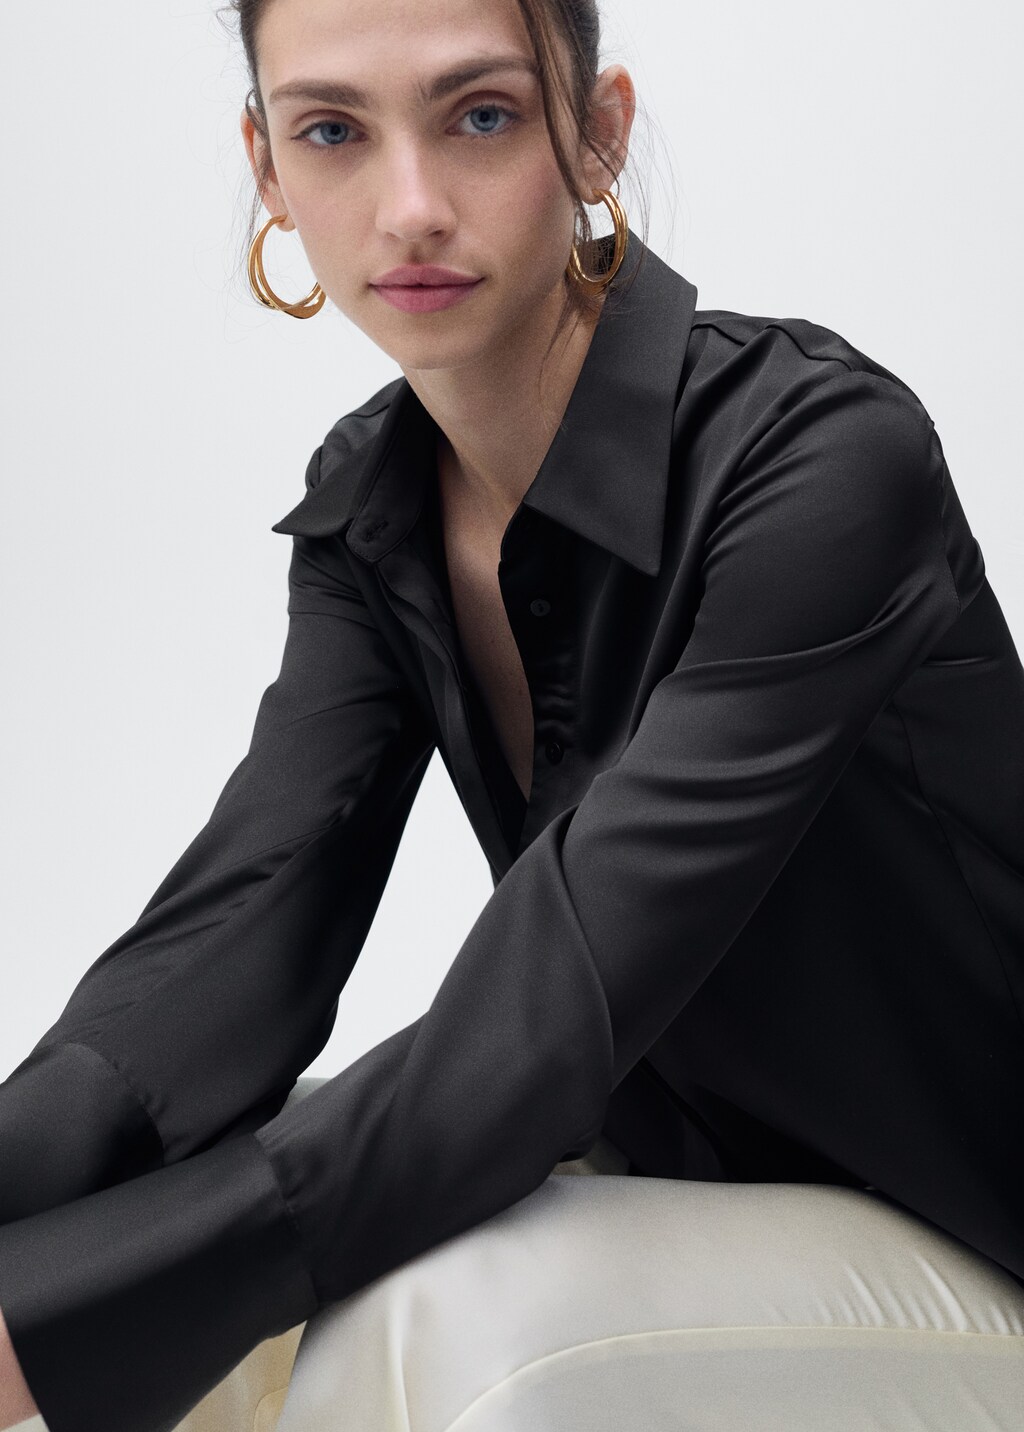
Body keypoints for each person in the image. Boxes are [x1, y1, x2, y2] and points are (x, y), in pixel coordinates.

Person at [2, 0, 1023, 1428]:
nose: (411, 206)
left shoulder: (822, 460)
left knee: (440, 1306)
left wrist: (51, 1326)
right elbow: (235, 944)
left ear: (596, 135)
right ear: (267, 169)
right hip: (699, 1196)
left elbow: (545, 1016)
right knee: (195, 1262)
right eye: (333, 132)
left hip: (976, 1231)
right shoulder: (376, 504)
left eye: (480, 116)